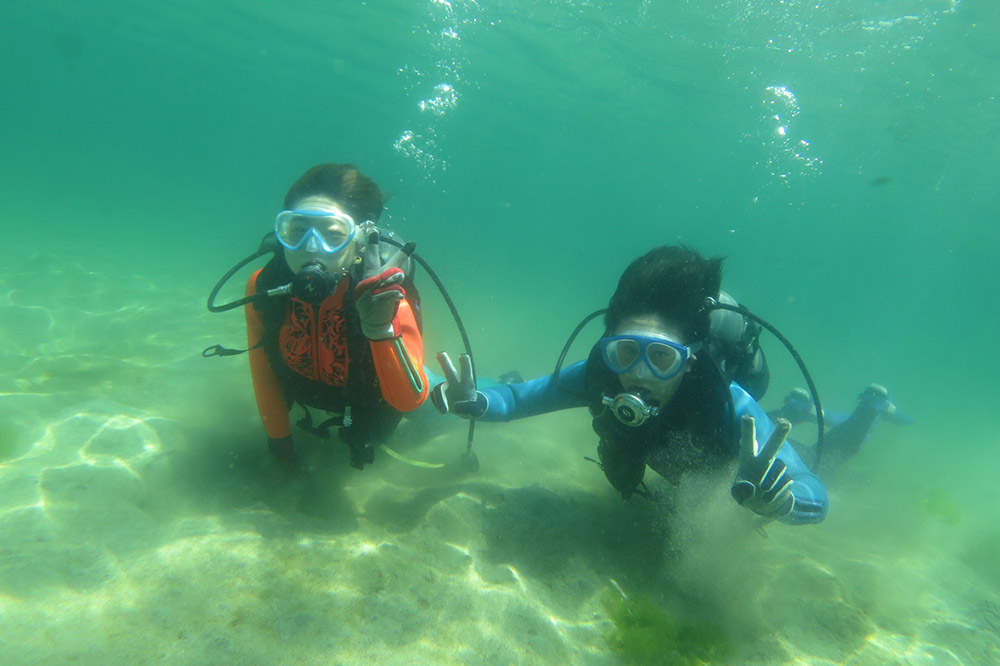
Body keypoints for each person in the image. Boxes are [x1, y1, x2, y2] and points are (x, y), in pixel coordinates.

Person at [433, 245, 847, 525]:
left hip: (740, 452)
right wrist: (477, 400)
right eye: (626, 352)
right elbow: (517, 398)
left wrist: (785, 502)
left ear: (690, 359)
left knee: (830, 459)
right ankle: (795, 409)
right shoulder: (600, 373)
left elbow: (812, 488)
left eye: (662, 357)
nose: (640, 373)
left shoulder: (727, 402)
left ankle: (851, 415)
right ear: (608, 346)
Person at [244, 163, 429, 470]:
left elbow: (408, 402)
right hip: (316, 396)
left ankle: (500, 392)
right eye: (298, 230)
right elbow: (262, 370)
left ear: (359, 240)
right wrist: (279, 443)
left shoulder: (382, 293)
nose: (310, 248)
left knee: (451, 406)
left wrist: (382, 328)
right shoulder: (265, 285)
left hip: (376, 402)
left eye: (333, 234)